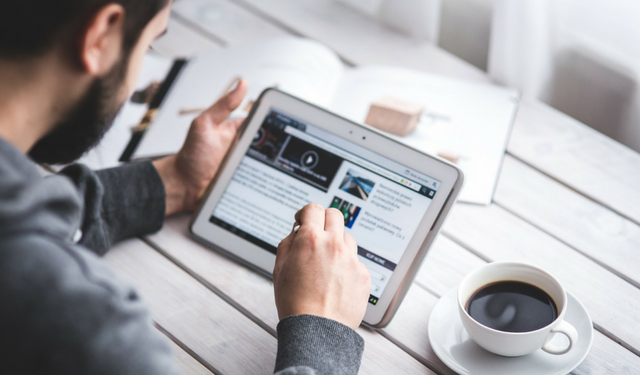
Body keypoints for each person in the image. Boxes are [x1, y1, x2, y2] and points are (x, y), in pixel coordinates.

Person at [0, 1, 371, 374]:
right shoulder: (89, 332)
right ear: (101, 35)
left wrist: (174, 181)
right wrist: (323, 330)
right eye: (147, 45)